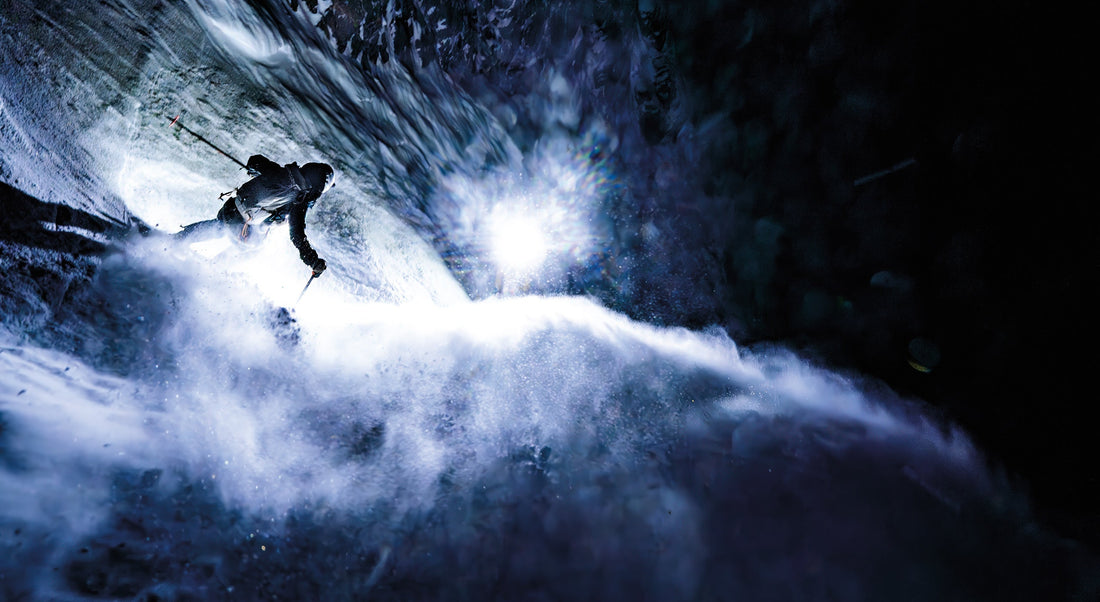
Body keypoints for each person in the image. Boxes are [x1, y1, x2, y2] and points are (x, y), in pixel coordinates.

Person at [176, 155, 333, 276]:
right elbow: (296, 234)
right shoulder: (298, 200)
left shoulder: (280, 171)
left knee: (219, 227)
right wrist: (312, 260)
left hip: (229, 209)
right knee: (254, 248)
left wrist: (255, 169)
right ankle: (210, 270)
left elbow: (254, 160)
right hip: (240, 225)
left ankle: (177, 239)